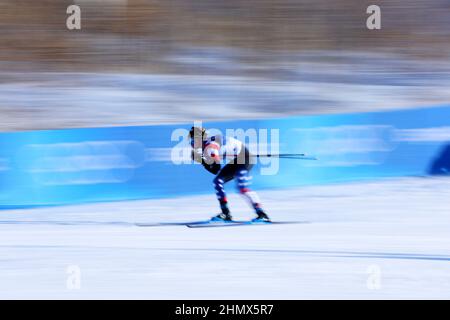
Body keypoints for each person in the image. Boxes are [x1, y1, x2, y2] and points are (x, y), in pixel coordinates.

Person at [189, 126, 271, 222]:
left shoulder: (209, 148)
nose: (192, 143)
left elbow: (216, 169)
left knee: (242, 188)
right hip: (237, 159)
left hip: (244, 159)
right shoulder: (207, 146)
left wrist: (201, 161)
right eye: (192, 140)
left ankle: (262, 214)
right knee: (217, 181)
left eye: (194, 140)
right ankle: (226, 213)